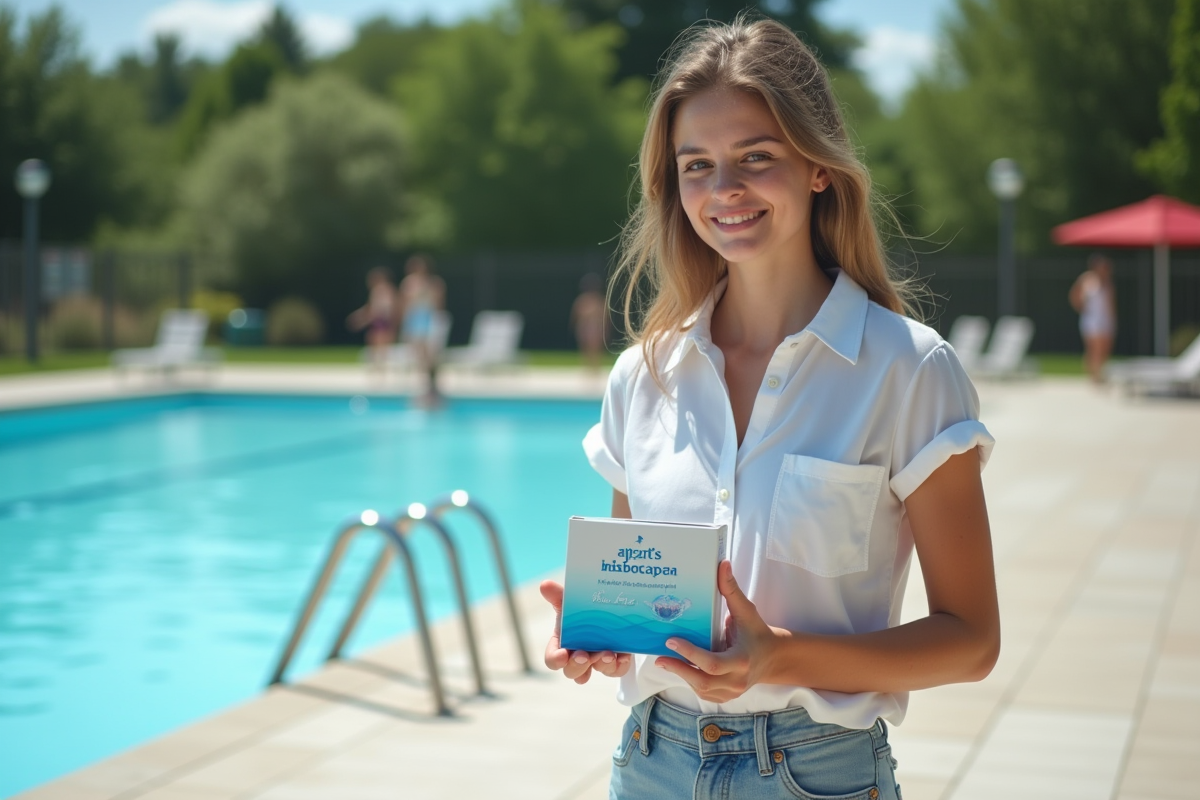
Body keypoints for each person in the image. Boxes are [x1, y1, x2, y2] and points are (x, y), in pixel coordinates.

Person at [538, 18, 999, 800]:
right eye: (697, 166)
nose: (724, 191)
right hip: (649, 764)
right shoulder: (640, 377)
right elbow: (643, 596)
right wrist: (600, 635)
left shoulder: (909, 370)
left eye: (756, 157)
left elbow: (971, 642)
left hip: (817, 775)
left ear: (818, 167)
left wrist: (781, 659)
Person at [397, 254, 447, 405]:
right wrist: (404, 325)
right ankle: (425, 388)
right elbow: (404, 305)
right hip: (415, 321)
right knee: (419, 357)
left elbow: (439, 305)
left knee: (430, 357)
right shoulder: (409, 283)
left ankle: (432, 387)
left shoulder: (434, 283)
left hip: (428, 321)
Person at [1069, 253, 1116, 383]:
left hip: (1106, 319)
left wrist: (1112, 318)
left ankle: (1099, 372)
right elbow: (1074, 295)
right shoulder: (1086, 279)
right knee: (1094, 348)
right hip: (1091, 319)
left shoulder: (1107, 281)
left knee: (1105, 349)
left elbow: (1111, 302)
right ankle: (1094, 376)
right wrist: (1081, 308)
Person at [346, 267, 397, 371]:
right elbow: (370, 308)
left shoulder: (384, 290)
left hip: (382, 322)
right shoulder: (378, 291)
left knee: (381, 348)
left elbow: (381, 310)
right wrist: (360, 316)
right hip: (379, 321)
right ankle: (378, 369)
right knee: (375, 347)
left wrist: (364, 320)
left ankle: (380, 370)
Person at [571, 272, 608, 371]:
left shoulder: (599, 301)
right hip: (584, 326)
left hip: (595, 326)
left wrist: (604, 329)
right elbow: (576, 315)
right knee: (584, 346)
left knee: (596, 347)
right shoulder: (582, 300)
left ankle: (595, 366)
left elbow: (604, 317)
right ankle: (587, 366)